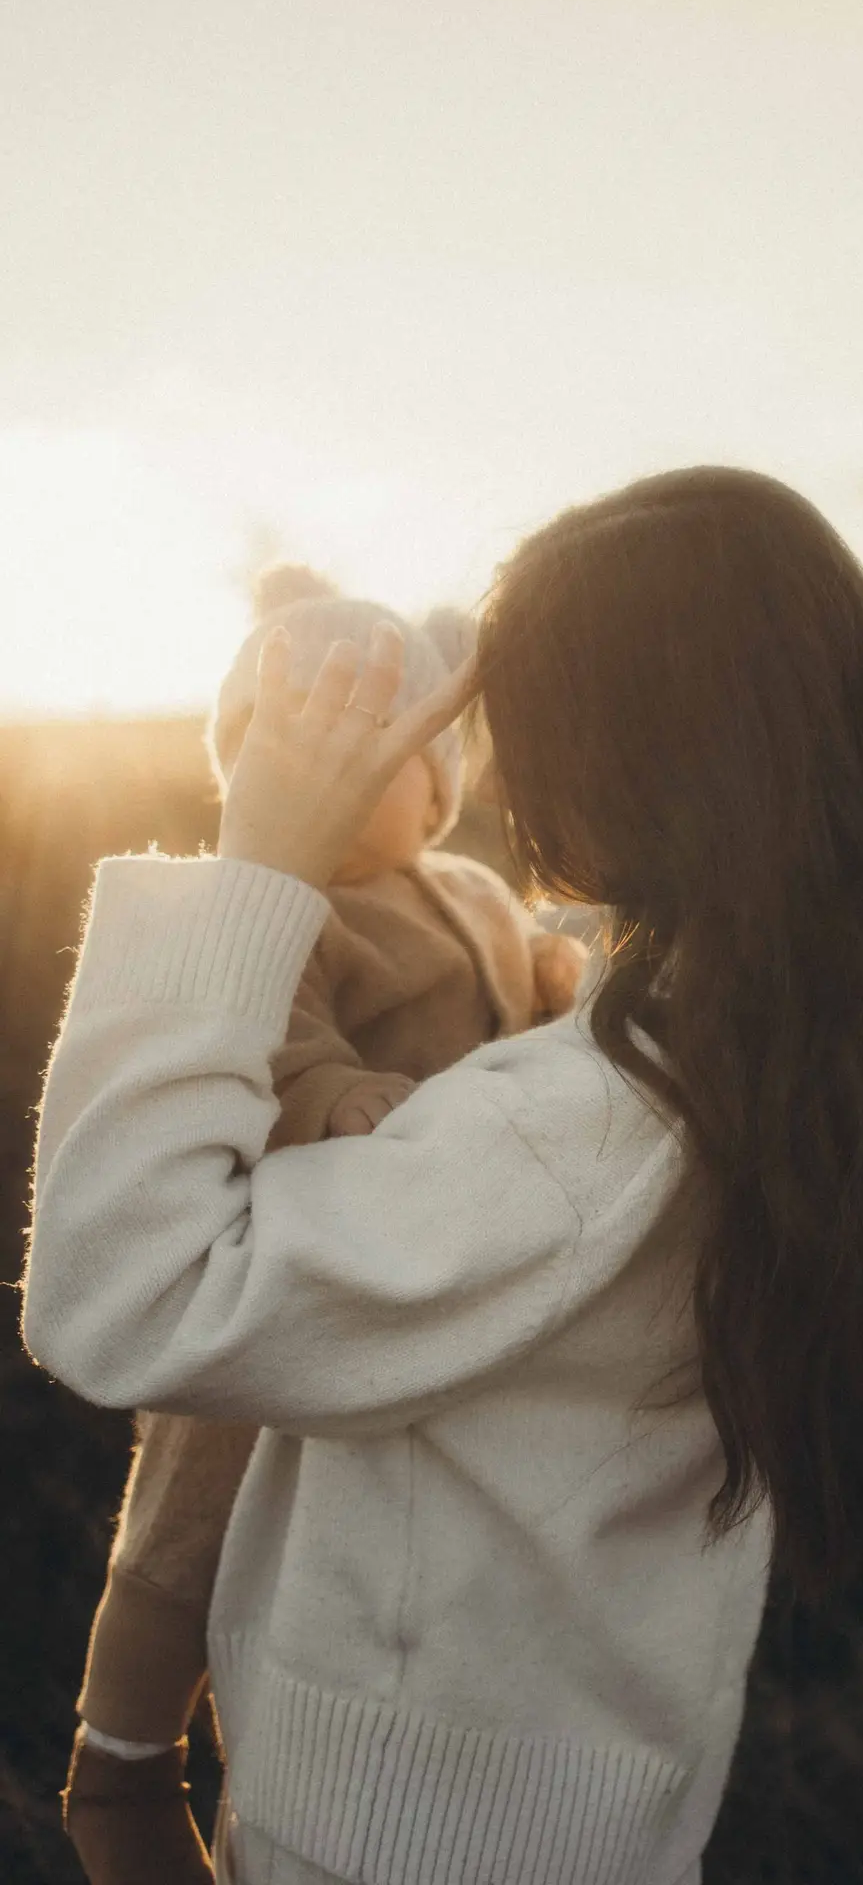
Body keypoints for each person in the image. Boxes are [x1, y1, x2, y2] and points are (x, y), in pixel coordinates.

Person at [24, 466, 863, 1885]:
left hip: (398, 1844)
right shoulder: (785, 1049)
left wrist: (260, 859)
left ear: (617, 761)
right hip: (574, 1816)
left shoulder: (573, 1134)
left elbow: (122, 1292)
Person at [60, 563, 588, 1885]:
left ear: (440, 779)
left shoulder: (468, 894)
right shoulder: (293, 922)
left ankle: (305, 1720)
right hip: (296, 1245)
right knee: (196, 1489)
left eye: (388, 758)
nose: (356, 787)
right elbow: (269, 1048)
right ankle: (123, 1737)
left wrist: (563, 982)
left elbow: (528, 978)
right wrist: (342, 1092)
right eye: (298, 759)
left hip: (444, 1238)